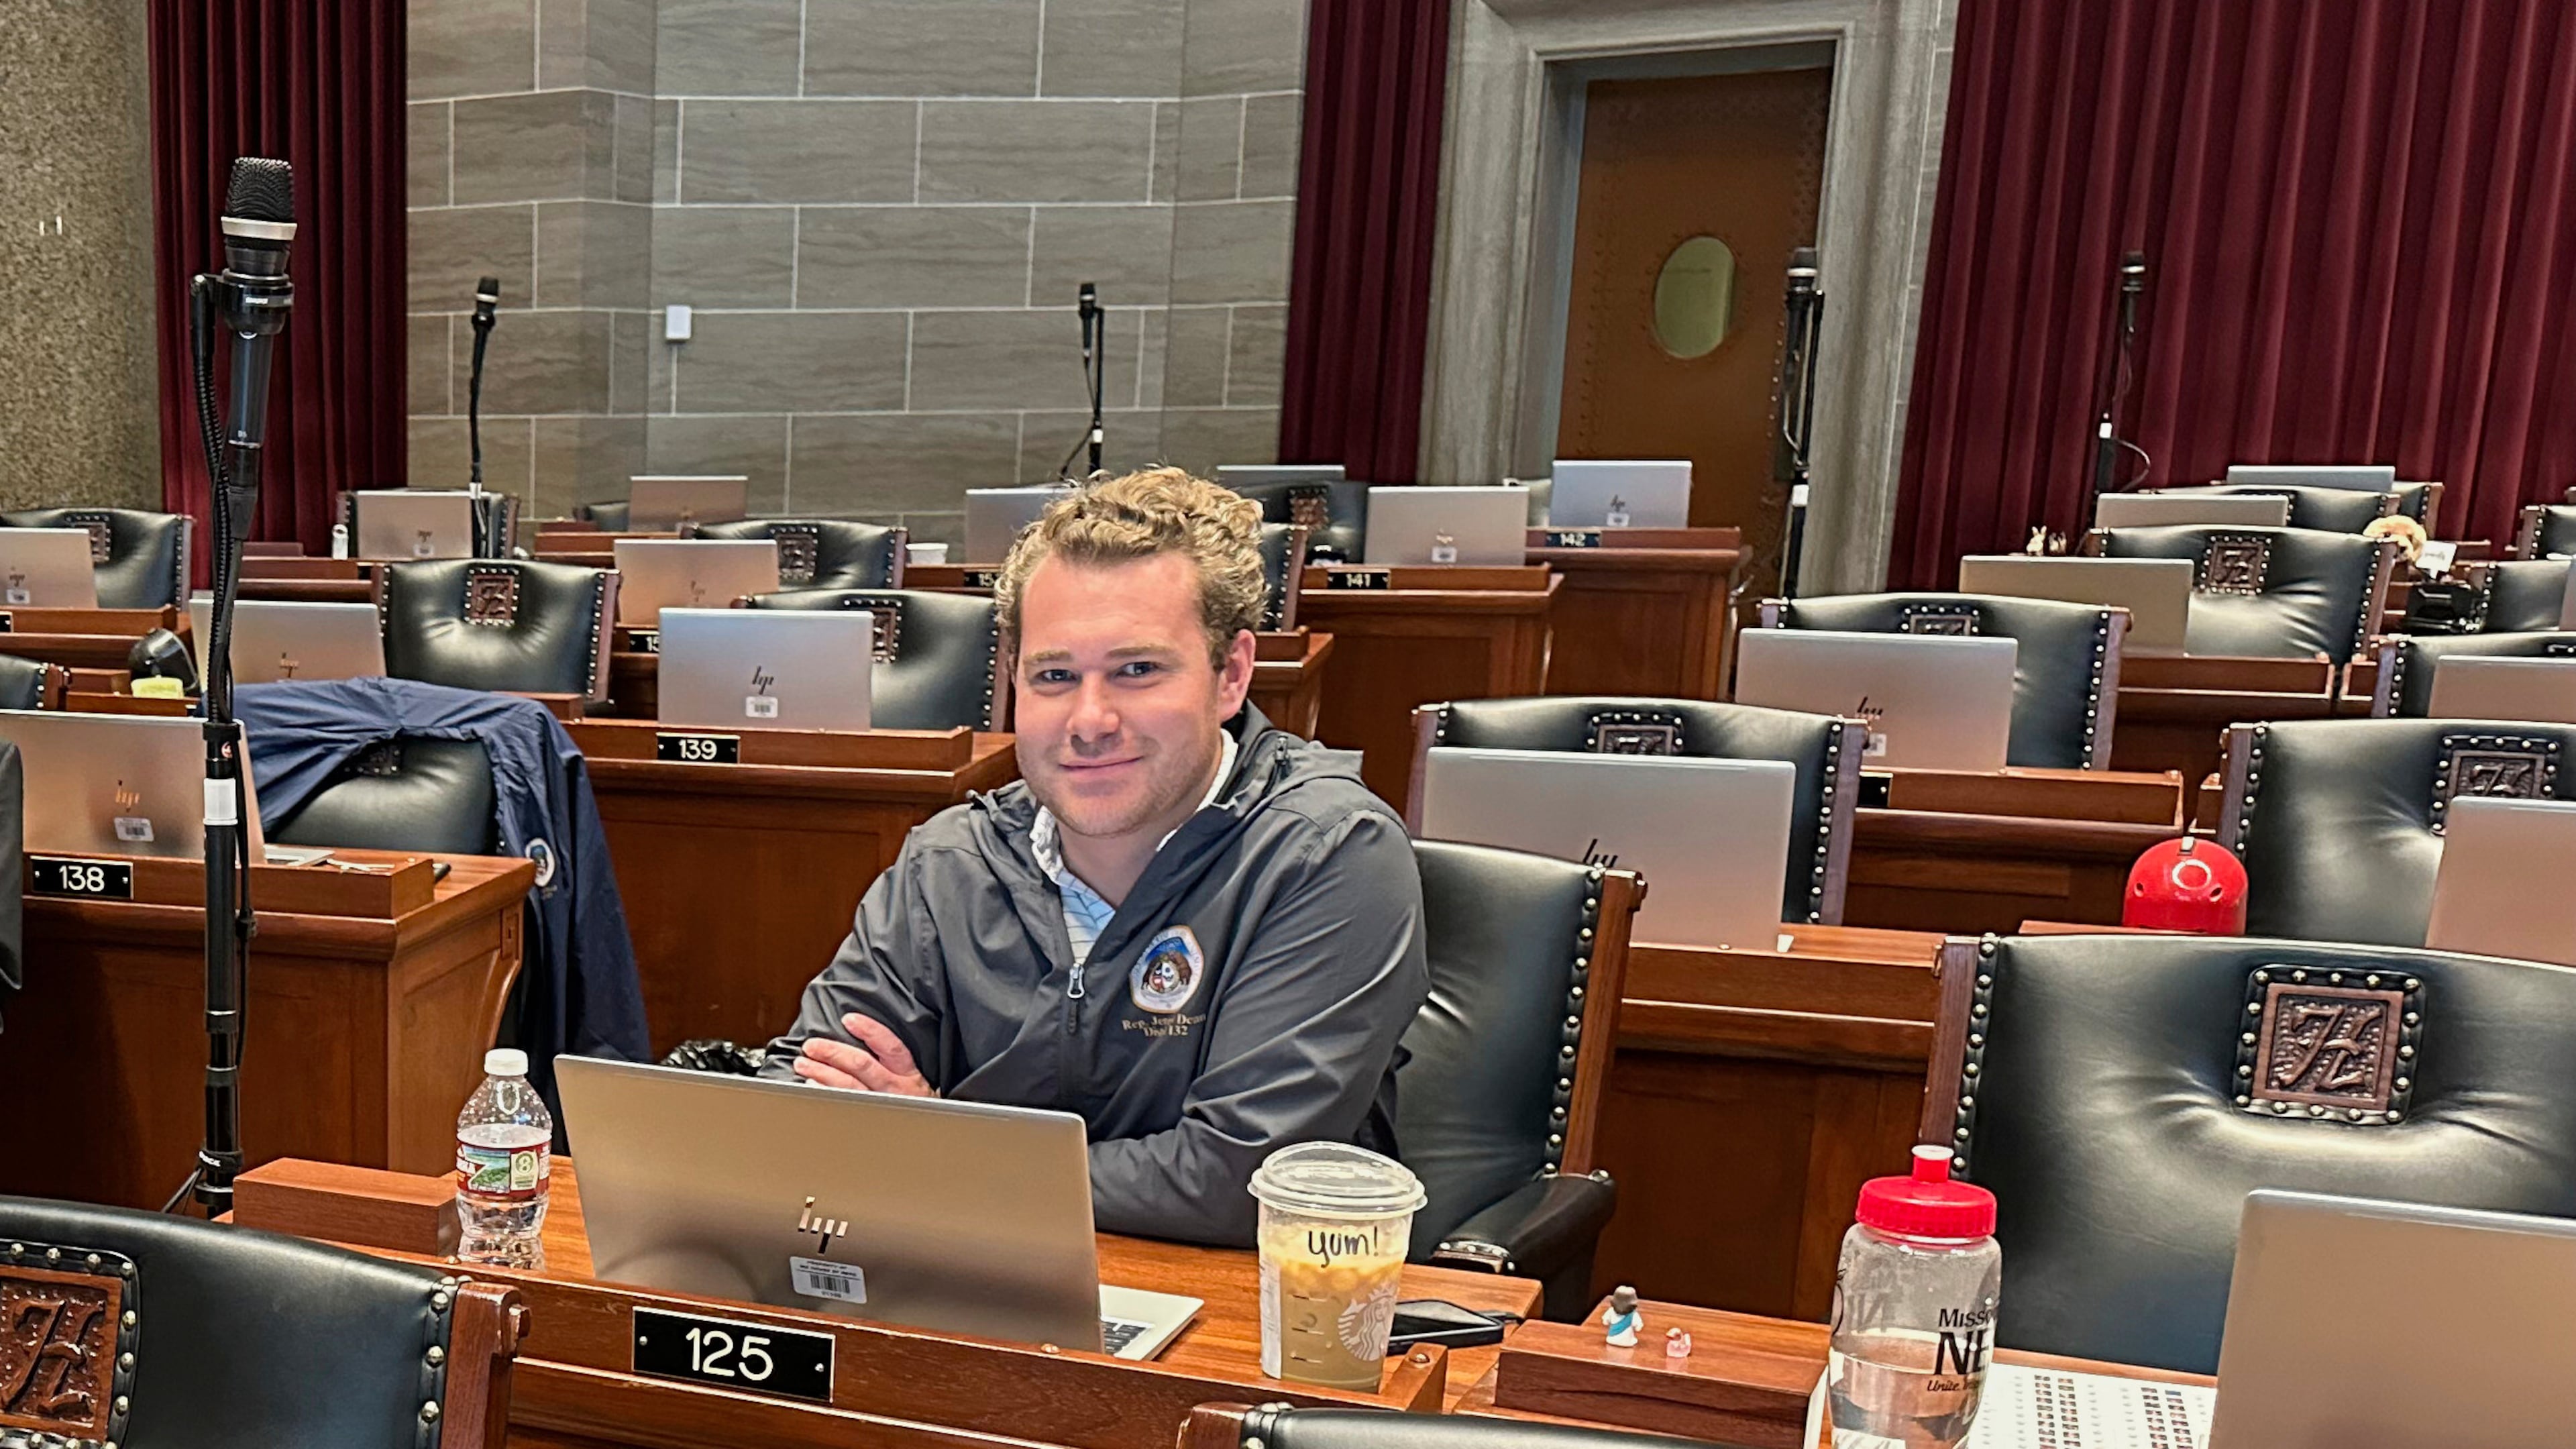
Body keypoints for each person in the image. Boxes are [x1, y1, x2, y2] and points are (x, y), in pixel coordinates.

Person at [762, 468, 1429, 1246]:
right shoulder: (950, 863)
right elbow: (802, 1094)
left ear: (1232, 675)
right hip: (977, 1290)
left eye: (1136, 670)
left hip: (1242, 1328)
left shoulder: (1328, 855)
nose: (1089, 719)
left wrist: (937, 1148)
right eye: (1053, 677)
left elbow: (1234, 1180)